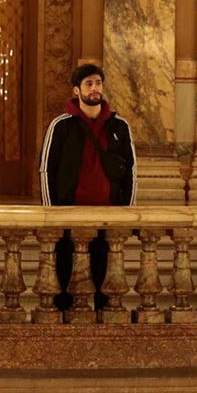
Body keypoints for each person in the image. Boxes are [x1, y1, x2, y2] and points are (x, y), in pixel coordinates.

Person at [38, 63, 137, 311]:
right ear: (76, 90)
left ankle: (103, 315)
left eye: (98, 83)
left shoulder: (119, 126)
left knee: (104, 268)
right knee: (64, 267)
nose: (95, 88)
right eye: (89, 84)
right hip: (69, 211)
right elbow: (46, 169)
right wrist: (51, 212)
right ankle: (63, 314)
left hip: (107, 211)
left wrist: (127, 211)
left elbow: (131, 171)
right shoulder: (61, 125)